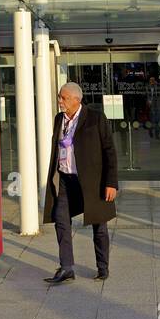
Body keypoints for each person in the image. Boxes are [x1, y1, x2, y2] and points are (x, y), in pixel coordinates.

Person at [43, 82, 118, 283]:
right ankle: (66, 268)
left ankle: (102, 267)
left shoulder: (95, 118)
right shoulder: (59, 119)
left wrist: (111, 183)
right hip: (66, 179)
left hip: (92, 180)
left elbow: (109, 150)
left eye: (63, 98)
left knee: (98, 225)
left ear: (77, 99)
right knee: (61, 220)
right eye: (59, 97)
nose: (60, 101)